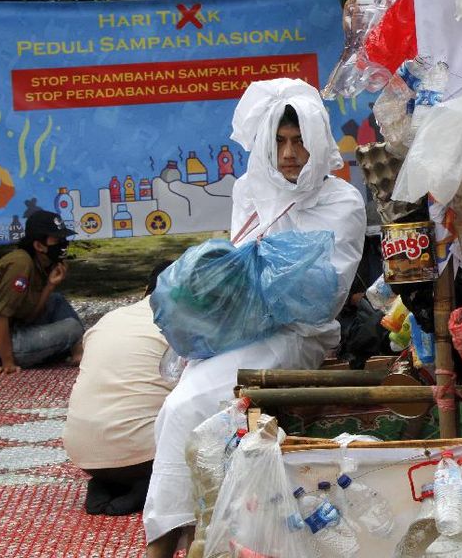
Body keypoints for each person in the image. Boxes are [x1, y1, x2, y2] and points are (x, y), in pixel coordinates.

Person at [143, 78, 366, 558]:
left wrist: (260, 273)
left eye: (299, 141)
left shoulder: (342, 202)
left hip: (298, 336)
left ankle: (169, 543)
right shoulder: (249, 188)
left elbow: (320, 297)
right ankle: (189, 531)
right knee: (174, 409)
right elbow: (243, 276)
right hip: (243, 330)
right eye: (279, 142)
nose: (289, 154)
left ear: (318, 142)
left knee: (190, 407)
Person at [63, 260, 175, 516]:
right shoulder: (176, 324)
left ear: (147, 289)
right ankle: (144, 489)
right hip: (141, 456)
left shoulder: (109, 318)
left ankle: (107, 483)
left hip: (83, 453)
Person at [0, 209, 83, 374]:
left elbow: (30, 316)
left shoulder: (41, 263)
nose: (63, 243)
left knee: (56, 299)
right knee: (72, 328)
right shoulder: (21, 264)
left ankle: (77, 351)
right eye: (57, 240)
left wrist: (50, 286)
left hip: (16, 327)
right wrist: (7, 362)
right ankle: (71, 346)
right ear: (39, 245)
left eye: (64, 238)